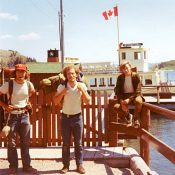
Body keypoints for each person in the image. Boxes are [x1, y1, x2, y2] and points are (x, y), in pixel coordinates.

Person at [0, 64, 37, 175]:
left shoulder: (29, 84)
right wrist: (5, 106)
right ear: (15, 73)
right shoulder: (9, 84)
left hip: (25, 115)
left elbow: (33, 93)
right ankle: (13, 167)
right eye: (18, 72)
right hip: (12, 117)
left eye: (22, 72)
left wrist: (29, 103)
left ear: (26, 73)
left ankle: (27, 166)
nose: (20, 74)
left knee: (25, 142)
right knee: (11, 143)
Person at [53, 66, 90, 174]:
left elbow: (88, 101)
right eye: (69, 74)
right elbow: (55, 101)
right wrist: (63, 93)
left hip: (78, 117)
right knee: (65, 144)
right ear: (66, 75)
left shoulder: (82, 85)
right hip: (65, 118)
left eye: (73, 73)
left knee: (78, 144)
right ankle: (65, 166)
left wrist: (82, 90)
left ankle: (80, 165)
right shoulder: (62, 86)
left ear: (77, 74)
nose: (71, 75)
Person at [114, 61, 144, 127]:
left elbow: (138, 91)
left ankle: (135, 119)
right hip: (124, 96)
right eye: (123, 69)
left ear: (130, 67)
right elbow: (118, 91)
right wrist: (121, 101)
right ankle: (128, 116)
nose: (125, 70)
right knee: (116, 107)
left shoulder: (136, 76)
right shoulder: (120, 78)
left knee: (139, 101)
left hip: (135, 95)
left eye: (127, 68)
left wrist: (129, 100)